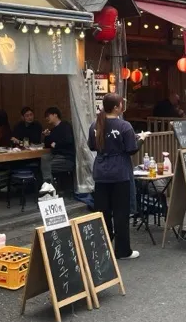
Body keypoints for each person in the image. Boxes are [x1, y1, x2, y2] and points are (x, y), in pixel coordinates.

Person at [88, 93, 142, 259]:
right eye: (121, 104)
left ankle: (103, 247)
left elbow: (92, 146)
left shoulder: (95, 125)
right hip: (119, 172)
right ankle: (122, 250)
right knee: (121, 213)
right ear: (117, 107)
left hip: (101, 172)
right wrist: (141, 139)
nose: (122, 106)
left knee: (102, 212)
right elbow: (131, 149)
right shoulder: (124, 126)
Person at [42, 107, 76, 187]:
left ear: (55, 115)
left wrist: (56, 144)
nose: (47, 118)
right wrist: (47, 136)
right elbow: (48, 145)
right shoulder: (52, 130)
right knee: (44, 158)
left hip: (66, 157)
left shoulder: (65, 125)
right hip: (56, 156)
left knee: (46, 166)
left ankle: (49, 187)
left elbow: (68, 140)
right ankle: (49, 185)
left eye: (48, 116)